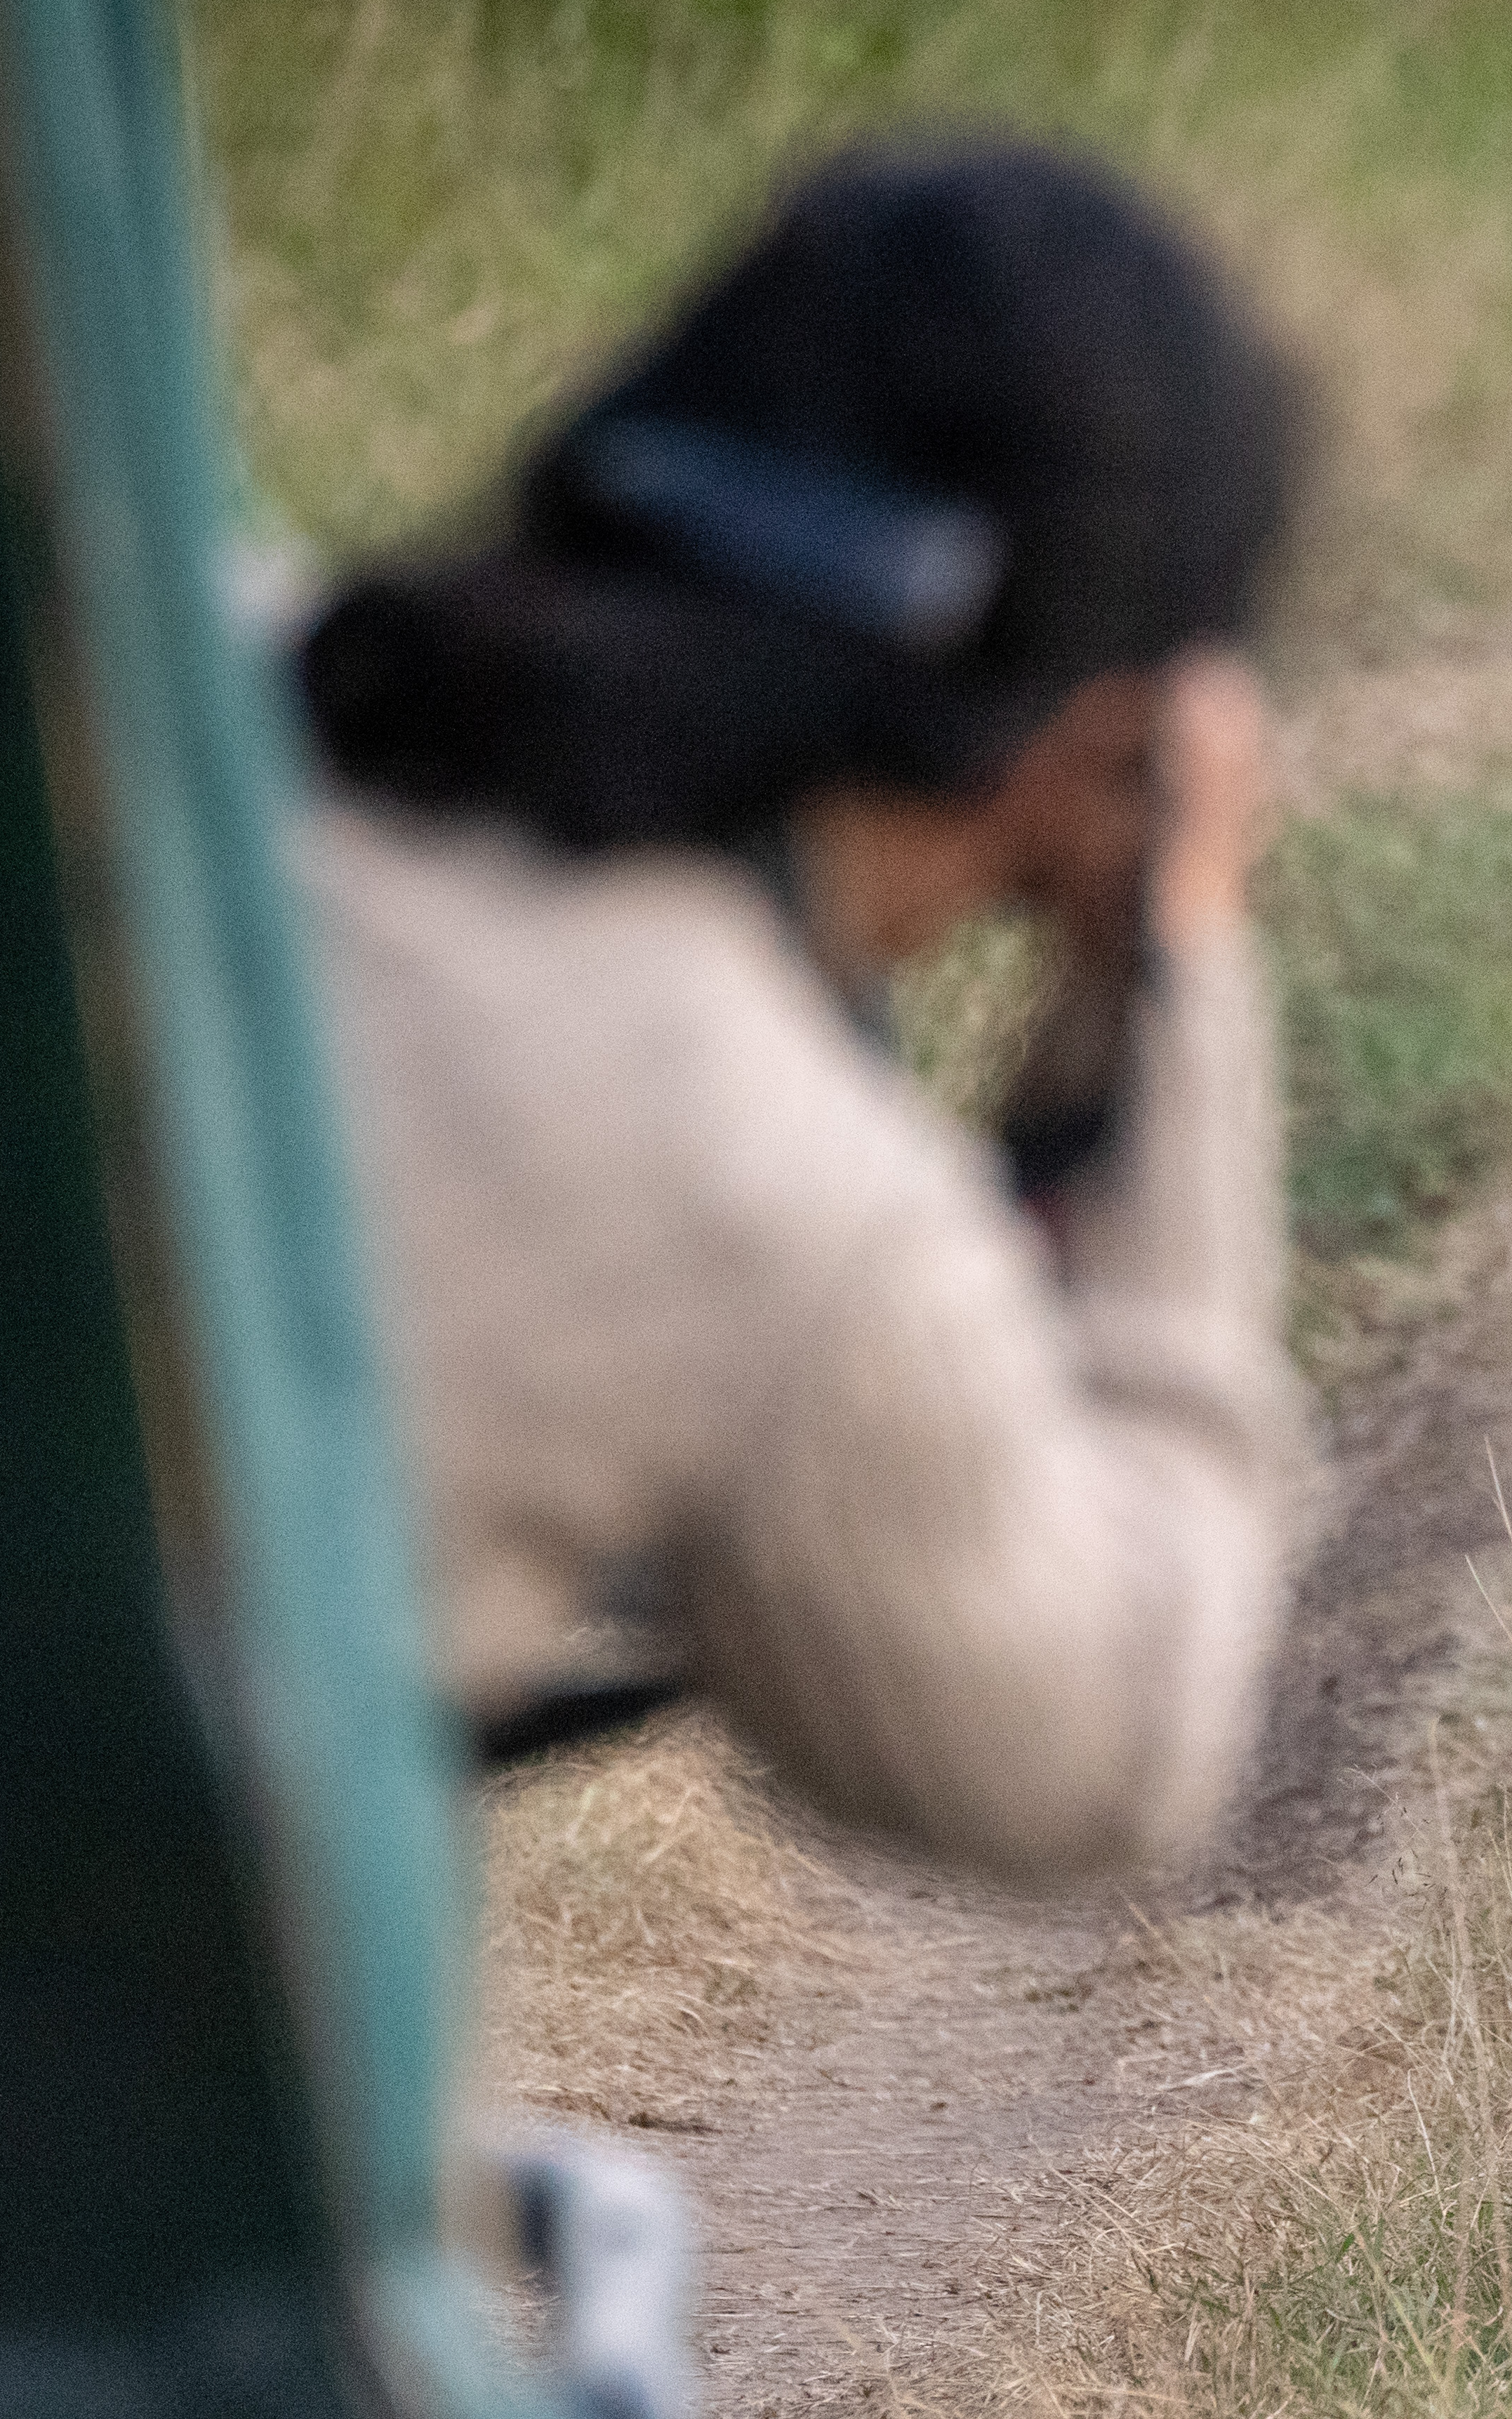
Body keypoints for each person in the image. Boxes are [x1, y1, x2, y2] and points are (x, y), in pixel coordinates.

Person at [293, 136, 1306, 1887]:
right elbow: (1113, 1757)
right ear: (1105, 744)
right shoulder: (763, 1189)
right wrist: (1173, 966)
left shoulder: (119, 665)